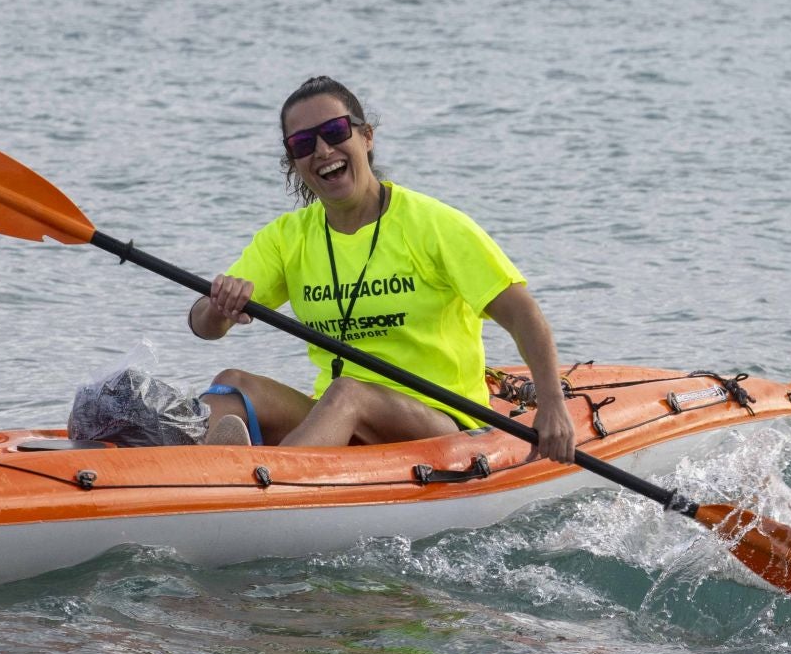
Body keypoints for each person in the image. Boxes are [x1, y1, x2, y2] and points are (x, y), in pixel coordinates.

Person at [190, 75, 575, 463]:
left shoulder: (433, 225)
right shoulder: (286, 238)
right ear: (293, 161)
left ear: (366, 137)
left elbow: (523, 313)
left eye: (335, 131)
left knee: (349, 392)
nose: (323, 150)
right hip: (335, 413)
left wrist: (552, 404)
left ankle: (262, 488)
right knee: (231, 385)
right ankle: (191, 479)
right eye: (303, 143)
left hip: (444, 422)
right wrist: (218, 307)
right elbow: (204, 326)